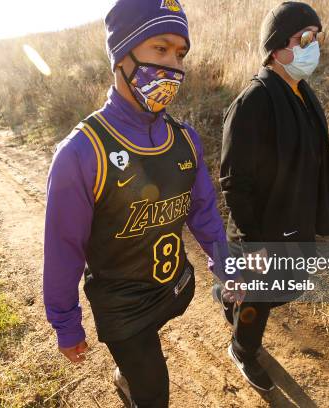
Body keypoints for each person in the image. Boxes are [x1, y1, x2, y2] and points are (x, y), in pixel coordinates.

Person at [42, 1, 226, 406]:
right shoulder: (80, 153)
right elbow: (62, 250)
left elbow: (203, 209)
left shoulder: (185, 138)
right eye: (160, 49)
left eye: (180, 53)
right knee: (152, 393)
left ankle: (130, 365)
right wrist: (66, 324)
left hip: (174, 286)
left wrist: (225, 263)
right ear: (121, 54)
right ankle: (131, 376)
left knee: (148, 347)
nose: (173, 67)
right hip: (122, 307)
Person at [216, 1, 329, 392]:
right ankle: (242, 348)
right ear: (276, 47)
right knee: (262, 297)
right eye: (304, 38)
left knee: (285, 286)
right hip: (264, 229)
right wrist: (254, 244)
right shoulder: (253, 102)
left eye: (316, 37)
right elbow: (235, 182)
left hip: (294, 218)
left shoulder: (302, 93)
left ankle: (227, 295)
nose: (313, 45)